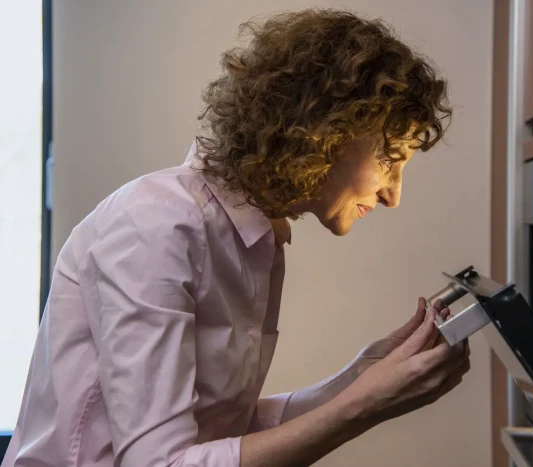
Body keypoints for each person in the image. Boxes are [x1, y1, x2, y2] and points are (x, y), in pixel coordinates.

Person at [2, 9, 470, 467]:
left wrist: (361, 378)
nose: (394, 195)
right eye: (390, 160)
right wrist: (363, 406)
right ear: (327, 133)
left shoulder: (257, 237)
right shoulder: (156, 225)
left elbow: (223, 430)